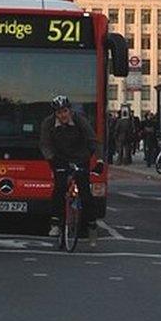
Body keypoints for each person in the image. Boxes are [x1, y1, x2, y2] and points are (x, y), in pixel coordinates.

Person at [39, 95, 101, 238]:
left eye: (65, 111)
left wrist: (99, 161)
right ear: (55, 113)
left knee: (84, 190)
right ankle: (55, 223)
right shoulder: (48, 124)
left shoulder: (80, 121)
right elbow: (45, 144)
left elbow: (93, 141)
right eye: (59, 113)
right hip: (59, 157)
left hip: (80, 156)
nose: (63, 115)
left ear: (70, 111)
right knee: (60, 187)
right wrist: (51, 158)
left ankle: (91, 222)